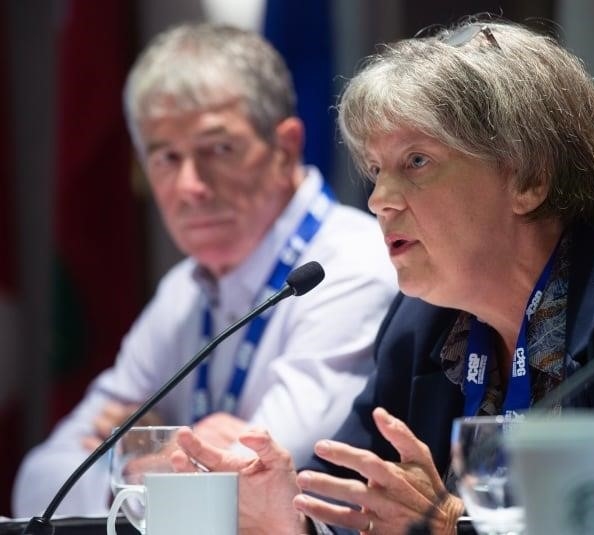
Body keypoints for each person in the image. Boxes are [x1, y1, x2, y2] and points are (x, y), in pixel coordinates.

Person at [170, 17, 594, 534]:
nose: (381, 198)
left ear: (528, 178)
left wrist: (467, 522)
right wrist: (296, 517)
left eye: (416, 162)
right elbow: (370, 504)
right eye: (377, 170)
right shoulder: (423, 325)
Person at [12, 22, 396, 517]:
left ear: (286, 147)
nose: (190, 186)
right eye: (167, 157)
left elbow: (255, 497)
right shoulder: (183, 290)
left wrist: (132, 453)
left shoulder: (351, 268)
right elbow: (41, 481)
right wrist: (166, 465)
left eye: (218, 149)